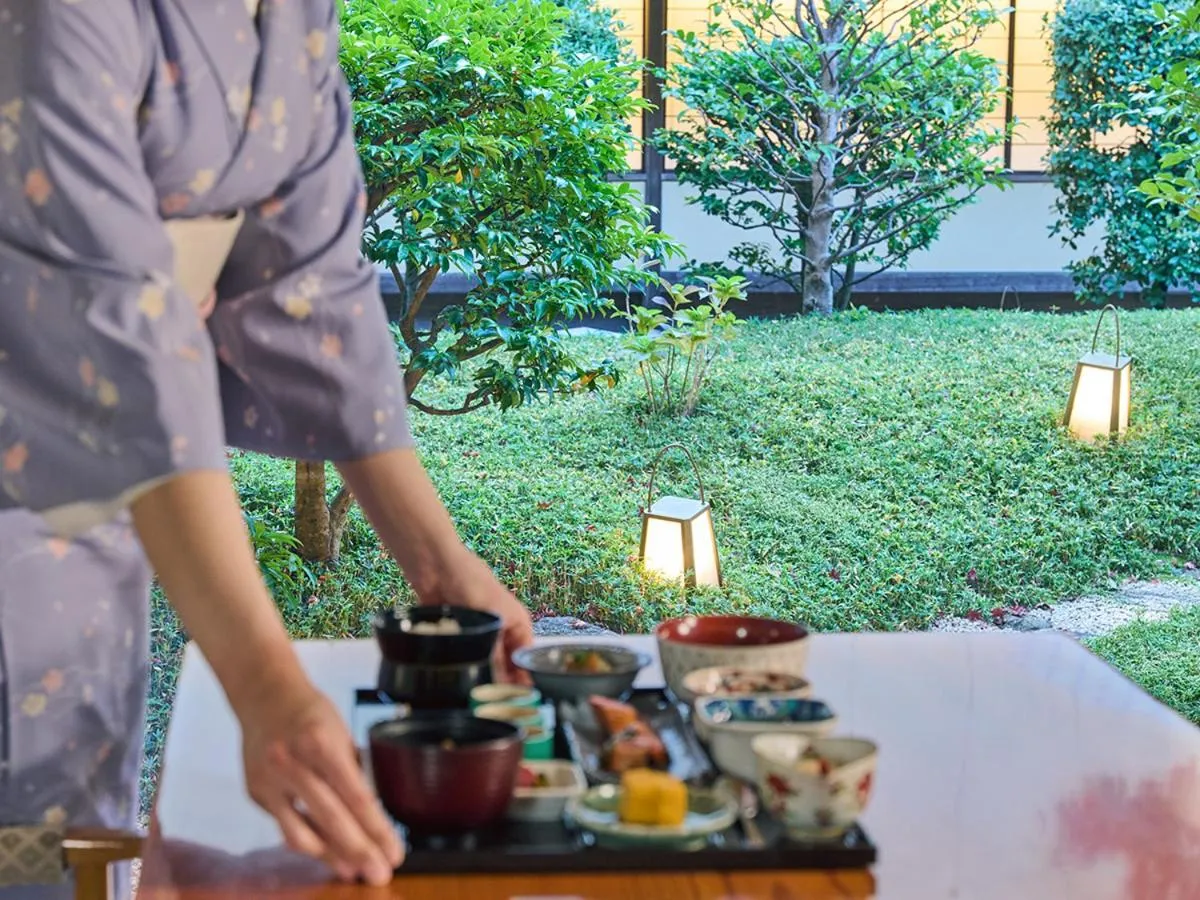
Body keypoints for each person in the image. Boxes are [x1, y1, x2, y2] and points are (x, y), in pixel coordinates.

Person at [0, 0, 534, 896]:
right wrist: (265, 687)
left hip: (108, 477)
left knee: (71, 822)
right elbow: (115, 323)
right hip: (44, 422)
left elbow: (312, 286)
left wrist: (444, 572)